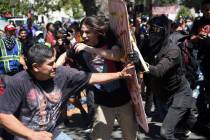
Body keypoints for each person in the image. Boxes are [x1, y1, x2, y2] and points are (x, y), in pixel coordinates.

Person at [0, 43, 133, 140]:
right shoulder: (18, 82)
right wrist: (32, 135)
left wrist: (119, 74)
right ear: (35, 67)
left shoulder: (62, 74)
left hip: (52, 134)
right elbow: (3, 115)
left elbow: (91, 77)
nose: (55, 66)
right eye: (50, 64)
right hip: (23, 136)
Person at [57, 16, 138, 140]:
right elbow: (64, 55)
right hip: (102, 104)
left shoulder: (109, 42)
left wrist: (89, 49)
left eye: (88, 32)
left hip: (124, 101)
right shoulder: (79, 48)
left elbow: (117, 55)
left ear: (97, 31)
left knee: (131, 137)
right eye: (82, 32)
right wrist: (54, 69)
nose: (84, 36)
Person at [139, 15, 196, 140]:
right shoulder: (149, 46)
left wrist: (141, 63)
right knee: (180, 126)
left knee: (166, 132)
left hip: (179, 94)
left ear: (164, 32)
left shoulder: (173, 50)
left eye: (156, 30)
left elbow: (158, 71)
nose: (152, 34)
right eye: (150, 29)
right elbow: (137, 58)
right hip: (162, 96)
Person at [190, 0, 210, 132]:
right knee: (199, 89)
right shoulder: (198, 22)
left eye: (209, 9)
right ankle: (203, 116)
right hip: (201, 62)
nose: (208, 12)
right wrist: (197, 37)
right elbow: (189, 38)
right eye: (205, 9)